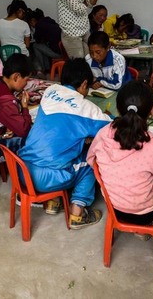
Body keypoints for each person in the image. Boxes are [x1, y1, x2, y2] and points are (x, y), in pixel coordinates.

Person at [87, 81, 153, 253]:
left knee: (149, 176)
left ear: (118, 109)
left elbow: (91, 160)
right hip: (147, 215)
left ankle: (140, 229)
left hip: (114, 209)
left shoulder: (103, 133)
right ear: (152, 110)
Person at [19, 58, 111, 229]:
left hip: (23, 170)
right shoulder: (87, 108)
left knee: (56, 148)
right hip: (48, 178)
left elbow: (60, 127)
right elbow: (111, 127)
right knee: (91, 159)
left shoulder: (50, 91)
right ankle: (77, 213)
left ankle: (53, 201)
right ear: (84, 84)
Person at [26, 8, 62, 76]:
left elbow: (37, 40)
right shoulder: (50, 21)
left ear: (33, 20)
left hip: (58, 53)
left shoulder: (39, 25)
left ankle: (42, 69)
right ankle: (47, 68)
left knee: (35, 46)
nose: (32, 25)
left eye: (30, 23)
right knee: (42, 46)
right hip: (63, 51)